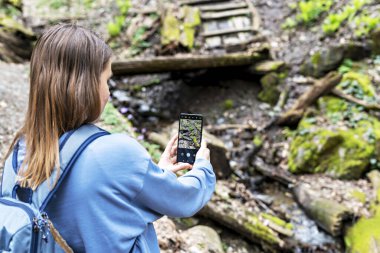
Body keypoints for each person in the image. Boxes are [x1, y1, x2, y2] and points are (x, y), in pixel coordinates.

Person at [2, 23, 215, 252]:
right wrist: (202, 166)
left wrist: (155, 173)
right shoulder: (117, 153)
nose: (109, 92)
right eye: (106, 80)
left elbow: (103, 201)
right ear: (86, 86)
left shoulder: (17, 154)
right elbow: (184, 199)